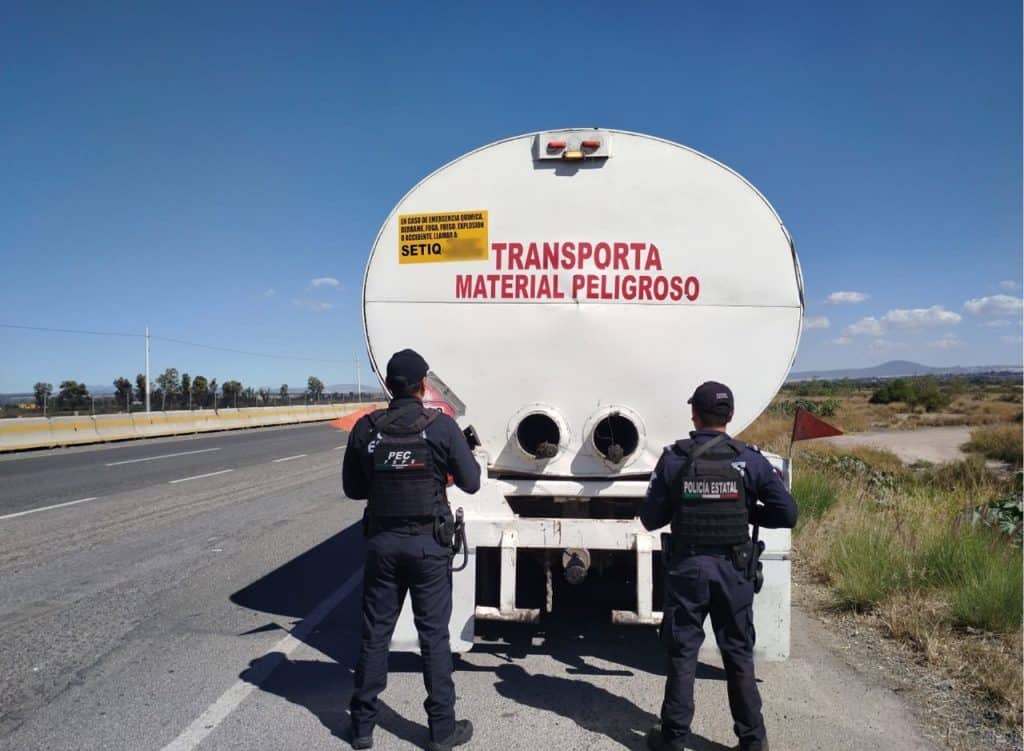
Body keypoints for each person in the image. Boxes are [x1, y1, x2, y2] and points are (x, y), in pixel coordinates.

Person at [640, 381, 797, 751]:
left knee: (682, 654)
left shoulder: (674, 458)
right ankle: (752, 741)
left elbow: (649, 518)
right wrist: (747, 509)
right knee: (738, 654)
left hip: (688, 569)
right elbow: (787, 514)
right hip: (734, 571)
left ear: (694, 413)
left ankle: (674, 740)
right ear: (730, 416)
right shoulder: (751, 460)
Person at [342, 348, 481, 751]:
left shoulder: (366, 428)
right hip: (428, 548)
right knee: (434, 637)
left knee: (375, 635)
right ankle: (441, 731)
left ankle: (363, 727)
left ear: (389, 385)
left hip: (382, 546)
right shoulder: (441, 428)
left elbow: (353, 490)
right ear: (423, 385)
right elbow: (471, 482)